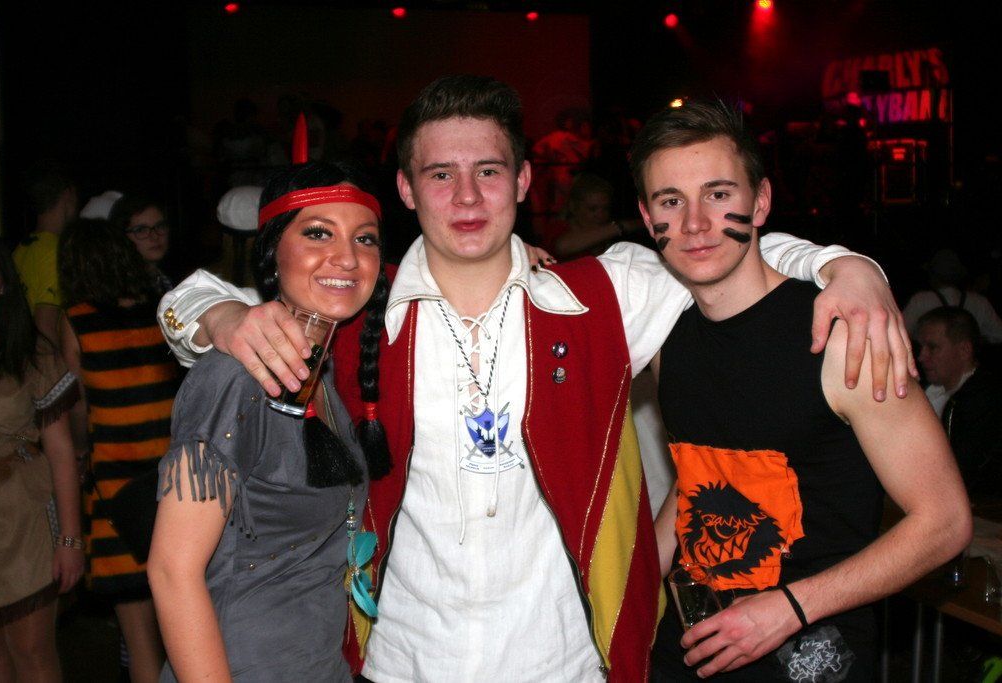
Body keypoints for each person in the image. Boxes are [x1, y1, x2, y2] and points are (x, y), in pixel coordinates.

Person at [157, 76, 913, 681]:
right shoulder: (357, 311)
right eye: (441, 175)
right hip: (401, 664)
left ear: (522, 179)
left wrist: (845, 265)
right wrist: (221, 314)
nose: (466, 197)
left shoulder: (605, 296)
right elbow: (196, 298)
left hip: (568, 663)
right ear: (407, 189)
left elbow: (714, 243)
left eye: (488, 171)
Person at [629, 99, 972, 680]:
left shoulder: (841, 337)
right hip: (691, 647)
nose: (695, 223)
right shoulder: (669, 341)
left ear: (760, 201)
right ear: (646, 216)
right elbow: (701, 475)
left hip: (811, 655)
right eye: (671, 201)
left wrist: (789, 608)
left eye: (718, 193)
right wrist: (634, 587)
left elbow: (944, 522)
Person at [146, 159, 390, 681]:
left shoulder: (323, 372)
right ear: (273, 252)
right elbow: (172, 571)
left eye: (365, 239)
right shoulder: (233, 376)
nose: (347, 257)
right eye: (318, 233)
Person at [57, 219, 181, 683]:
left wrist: (78, 453)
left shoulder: (78, 321)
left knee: (138, 635)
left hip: (115, 480)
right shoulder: (161, 312)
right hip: (173, 478)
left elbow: (78, 407)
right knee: (185, 623)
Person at [0, 231, 82, 683]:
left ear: (3, 282)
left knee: (32, 651)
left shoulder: (30, 352)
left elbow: (61, 451)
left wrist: (70, 541)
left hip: (23, 514)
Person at [917, 306, 1002, 499]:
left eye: (932, 347)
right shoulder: (927, 391)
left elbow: (967, 472)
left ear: (964, 350)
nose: (922, 356)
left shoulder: (984, 401)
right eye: (921, 347)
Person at [12, 160, 78, 346]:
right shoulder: (55, 251)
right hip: (44, 356)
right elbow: (45, 324)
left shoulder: (22, 249)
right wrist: (69, 362)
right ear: (68, 193)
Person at [541, 172, 652, 259]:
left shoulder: (608, 237)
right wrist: (621, 227)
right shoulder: (558, 228)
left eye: (605, 208)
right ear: (574, 207)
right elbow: (562, 246)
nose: (600, 215)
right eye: (592, 209)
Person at [903, 248, 1002, 343]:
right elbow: (999, 335)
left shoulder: (920, 300)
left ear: (932, 276)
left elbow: (902, 333)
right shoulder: (980, 303)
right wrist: (976, 341)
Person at [108, 193, 174, 292]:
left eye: (160, 226)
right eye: (141, 230)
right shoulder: (121, 289)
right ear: (122, 237)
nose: (155, 236)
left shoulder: (165, 280)